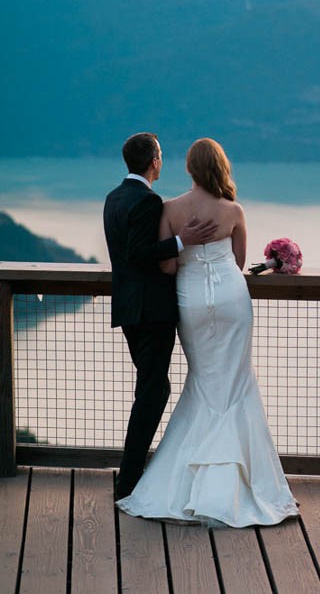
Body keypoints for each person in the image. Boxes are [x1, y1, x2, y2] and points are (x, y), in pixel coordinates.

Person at [116, 138, 299, 527]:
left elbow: (166, 267)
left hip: (192, 300)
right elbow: (238, 261)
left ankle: (185, 482)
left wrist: (189, 259)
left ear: (189, 168)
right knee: (236, 382)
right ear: (221, 166)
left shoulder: (169, 209)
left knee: (203, 380)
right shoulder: (233, 210)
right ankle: (244, 482)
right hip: (233, 300)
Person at [104, 132, 218, 500]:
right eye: (161, 156)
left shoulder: (114, 197)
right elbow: (140, 254)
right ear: (154, 161)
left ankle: (133, 472)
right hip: (151, 310)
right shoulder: (147, 201)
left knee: (150, 387)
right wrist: (183, 241)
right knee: (154, 391)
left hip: (127, 308)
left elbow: (124, 254)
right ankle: (129, 480)